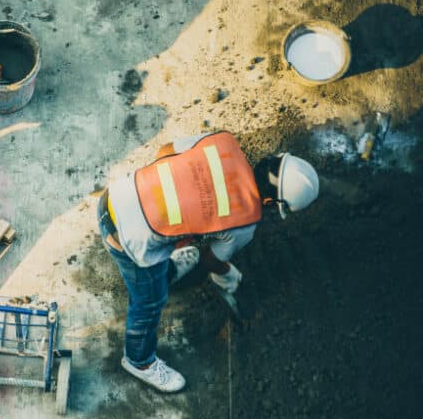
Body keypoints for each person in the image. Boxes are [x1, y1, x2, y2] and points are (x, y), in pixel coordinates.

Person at [98, 131, 319, 392]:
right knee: (149, 301)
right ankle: (139, 361)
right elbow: (208, 261)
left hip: (117, 194)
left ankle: (167, 270)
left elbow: (166, 151)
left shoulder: (224, 143)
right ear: (272, 201)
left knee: (167, 249)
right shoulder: (244, 223)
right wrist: (227, 276)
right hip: (125, 238)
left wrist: (180, 201)